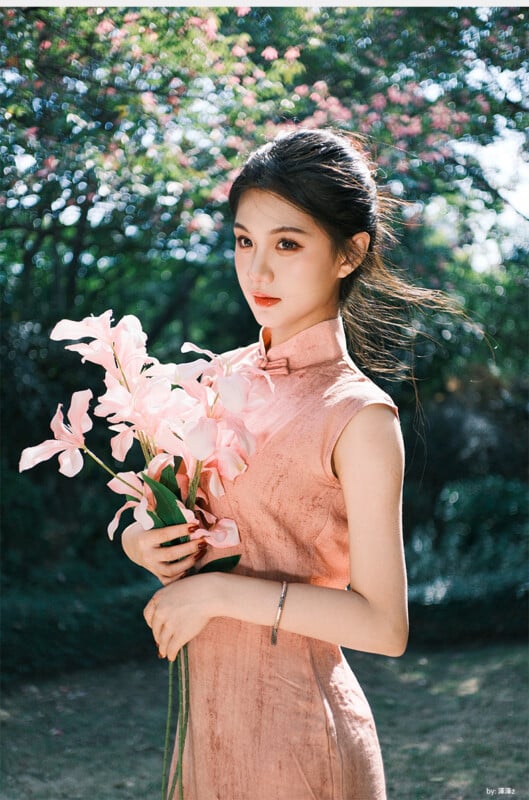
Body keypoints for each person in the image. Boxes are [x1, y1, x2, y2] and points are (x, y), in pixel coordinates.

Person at [122, 127, 437, 799]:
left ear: (348, 253)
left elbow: (385, 626)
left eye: (286, 244)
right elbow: (164, 524)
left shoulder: (358, 416)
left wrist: (214, 593)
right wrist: (145, 544)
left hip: (299, 748)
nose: (256, 271)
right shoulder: (217, 379)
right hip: (201, 740)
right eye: (244, 241)